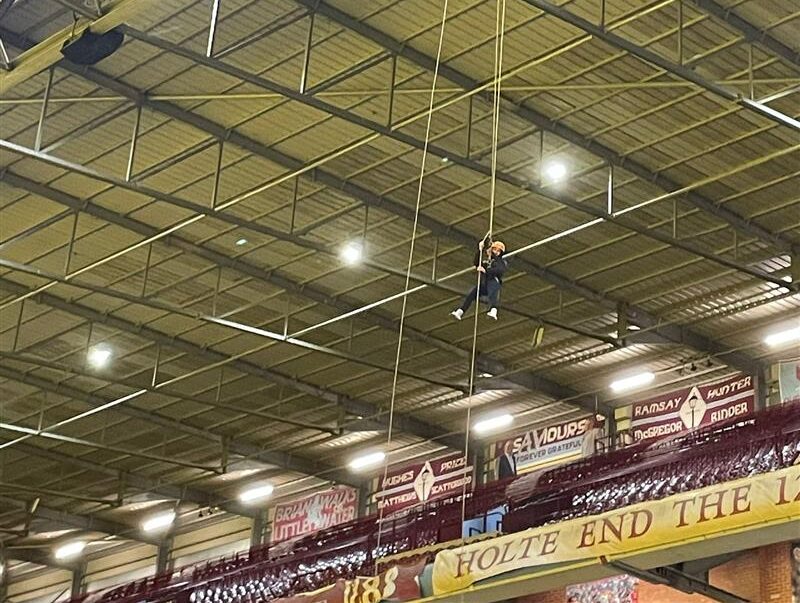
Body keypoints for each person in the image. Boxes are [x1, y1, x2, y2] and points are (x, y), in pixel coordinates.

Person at [451, 234, 508, 320]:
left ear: (500, 253)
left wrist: (486, 270)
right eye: (494, 250)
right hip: (485, 284)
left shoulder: (501, 262)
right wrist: (480, 250)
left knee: (493, 293)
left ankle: (494, 309)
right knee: (472, 293)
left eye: (498, 251)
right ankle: (461, 311)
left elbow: (500, 270)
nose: (496, 252)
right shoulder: (488, 262)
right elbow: (477, 263)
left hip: (493, 282)